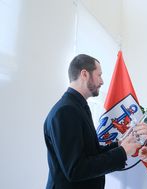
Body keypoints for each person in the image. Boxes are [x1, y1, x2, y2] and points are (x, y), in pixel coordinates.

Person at [44, 54, 141, 189]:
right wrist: (122, 152)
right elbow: (76, 169)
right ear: (84, 74)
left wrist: (120, 144)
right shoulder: (66, 111)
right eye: (99, 75)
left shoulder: (77, 107)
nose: (102, 81)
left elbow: (90, 153)